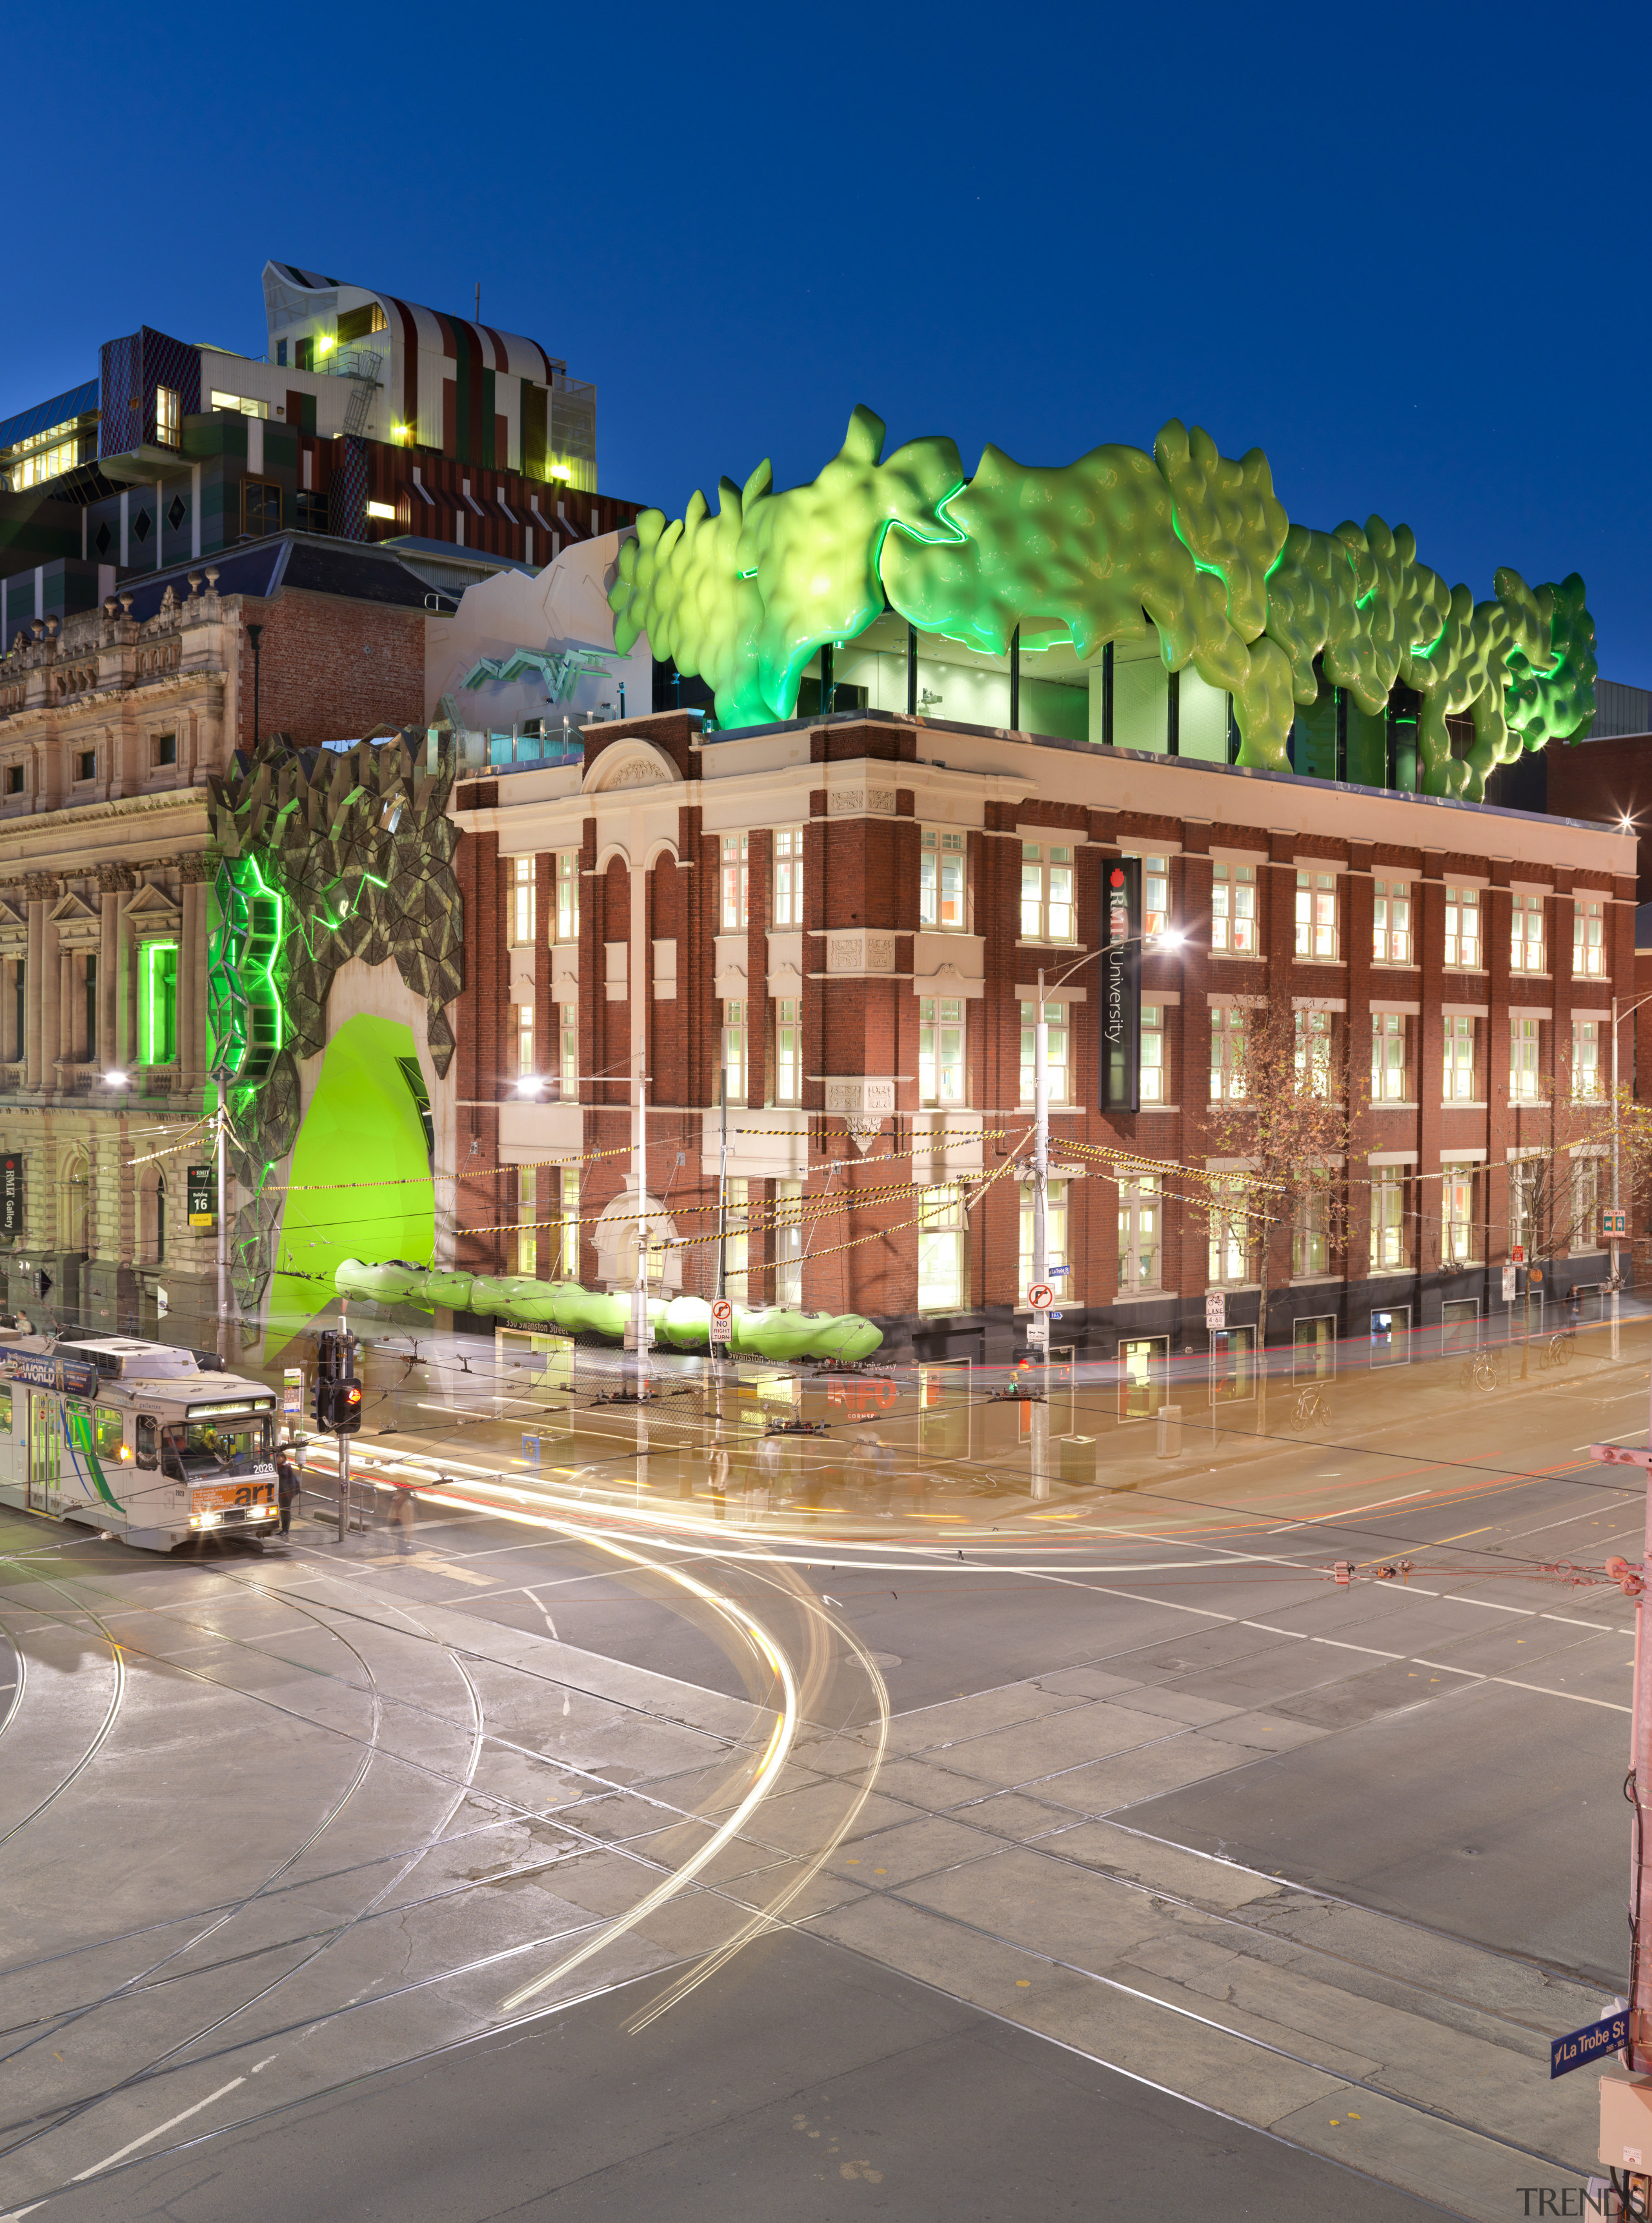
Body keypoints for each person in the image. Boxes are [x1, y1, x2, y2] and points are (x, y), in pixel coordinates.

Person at [275, 1445, 299, 1537]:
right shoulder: (274, 1467)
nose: (280, 1459)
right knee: (276, 1511)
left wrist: (291, 1493)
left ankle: (285, 1529)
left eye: (282, 1457)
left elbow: (292, 1480)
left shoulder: (287, 1467)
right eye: (278, 1457)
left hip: (286, 1494)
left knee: (285, 1512)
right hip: (277, 1493)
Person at [392, 1487, 418, 1555]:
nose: (398, 1494)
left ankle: (404, 1551)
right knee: (399, 1538)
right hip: (397, 1522)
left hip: (404, 1523)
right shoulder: (395, 1500)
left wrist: (409, 1525)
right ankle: (401, 1551)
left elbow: (410, 1517)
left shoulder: (409, 1504)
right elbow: (393, 1511)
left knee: (404, 1538)